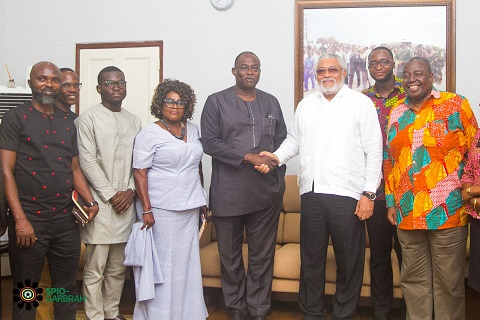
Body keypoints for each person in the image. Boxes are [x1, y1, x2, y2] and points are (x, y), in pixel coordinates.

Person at [257, 53, 383, 319]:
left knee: (348, 260)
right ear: (316, 75)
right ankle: (311, 312)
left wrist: (369, 193)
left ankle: (343, 313)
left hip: (346, 194)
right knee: (311, 260)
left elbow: (374, 150)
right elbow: (294, 140)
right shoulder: (306, 104)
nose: (327, 75)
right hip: (311, 192)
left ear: (344, 73)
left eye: (333, 70)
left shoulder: (360, 104)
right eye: (321, 71)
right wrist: (277, 157)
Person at [0, 61, 99, 320]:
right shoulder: (15, 118)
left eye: (55, 80)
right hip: (29, 219)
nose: (49, 84)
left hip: (65, 221)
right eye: (43, 79)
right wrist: (20, 220)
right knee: (27, 292)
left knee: (66, 290)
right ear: (32, 82)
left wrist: (90, 201)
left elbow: (74, 169)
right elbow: (6, 172)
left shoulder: (70, 120)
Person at [384, 57, 478, 319]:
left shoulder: (456, 104)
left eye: (418, 74)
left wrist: (469, 191)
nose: (411, 79)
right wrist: (391, 202)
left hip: (447, 212)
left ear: (432, 76)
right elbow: (389, 160)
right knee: (413, 282)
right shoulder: (397, 112)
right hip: (407, 212)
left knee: (449, 284)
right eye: (406, 75)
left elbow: (476, 152)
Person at [201, 51, 287, 320]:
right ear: (234, 71)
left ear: (260, 72)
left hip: (265, 194)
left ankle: (259, 308)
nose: (250, 72)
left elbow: (283, 141)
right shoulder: (216, 102)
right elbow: (210, 143)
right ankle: (237, 308)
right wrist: (248, 157)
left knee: (262, 256)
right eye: (244, 68)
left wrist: (273, 163)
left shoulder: (271, 103)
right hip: (229, 193)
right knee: (230, 257)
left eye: (255, 68)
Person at [129, 79, 208, 319]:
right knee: (163, 265)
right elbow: (139, 171)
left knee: (186, 264)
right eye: (169, 101)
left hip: (189, 207)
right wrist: (147, 209)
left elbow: (197, 166)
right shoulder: (148, 133)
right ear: (160, 103)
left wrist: (202, 200)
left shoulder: (193, 129)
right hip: (161, 209)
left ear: (187, 105)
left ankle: (187, 313)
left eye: (180, 102)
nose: (175, 106)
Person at [75, 66, 142, 320]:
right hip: (101, 206)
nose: (116, 88)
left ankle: (112, 312)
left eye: (121, 83)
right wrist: (112, 194)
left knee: (117, 268)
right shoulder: (87, 119)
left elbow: (139, 161)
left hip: (126, 204)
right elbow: (87, 161)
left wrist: (130, 191)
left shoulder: (134, 120)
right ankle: (94, 315)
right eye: (110, 83)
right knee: (95, 268)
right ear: (99, 88)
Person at [362, 46, 405, 320]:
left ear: (393, 64)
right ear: (368, 68)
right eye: (373, 63)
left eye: (384, 61)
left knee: (409, 257)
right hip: (375, 191)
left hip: (406, 191)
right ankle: (381, 313)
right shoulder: (362, 99)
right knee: (378, 257)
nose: (379, 66)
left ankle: (414, 311)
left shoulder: (410, 92)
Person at [36, 67, 82, 320]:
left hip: (69, 212)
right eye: (66, 85)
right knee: (39, 280)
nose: (71, 89)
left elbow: (76, 167)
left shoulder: (74, 120)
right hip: (39, 211)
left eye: (76, 85)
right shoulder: (35, 118)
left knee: (65, 281)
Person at [461, 130, 480, 294]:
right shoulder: (478, 136)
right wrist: (469, 192)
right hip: (477, 216)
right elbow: (468, 171)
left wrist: (474, 191)